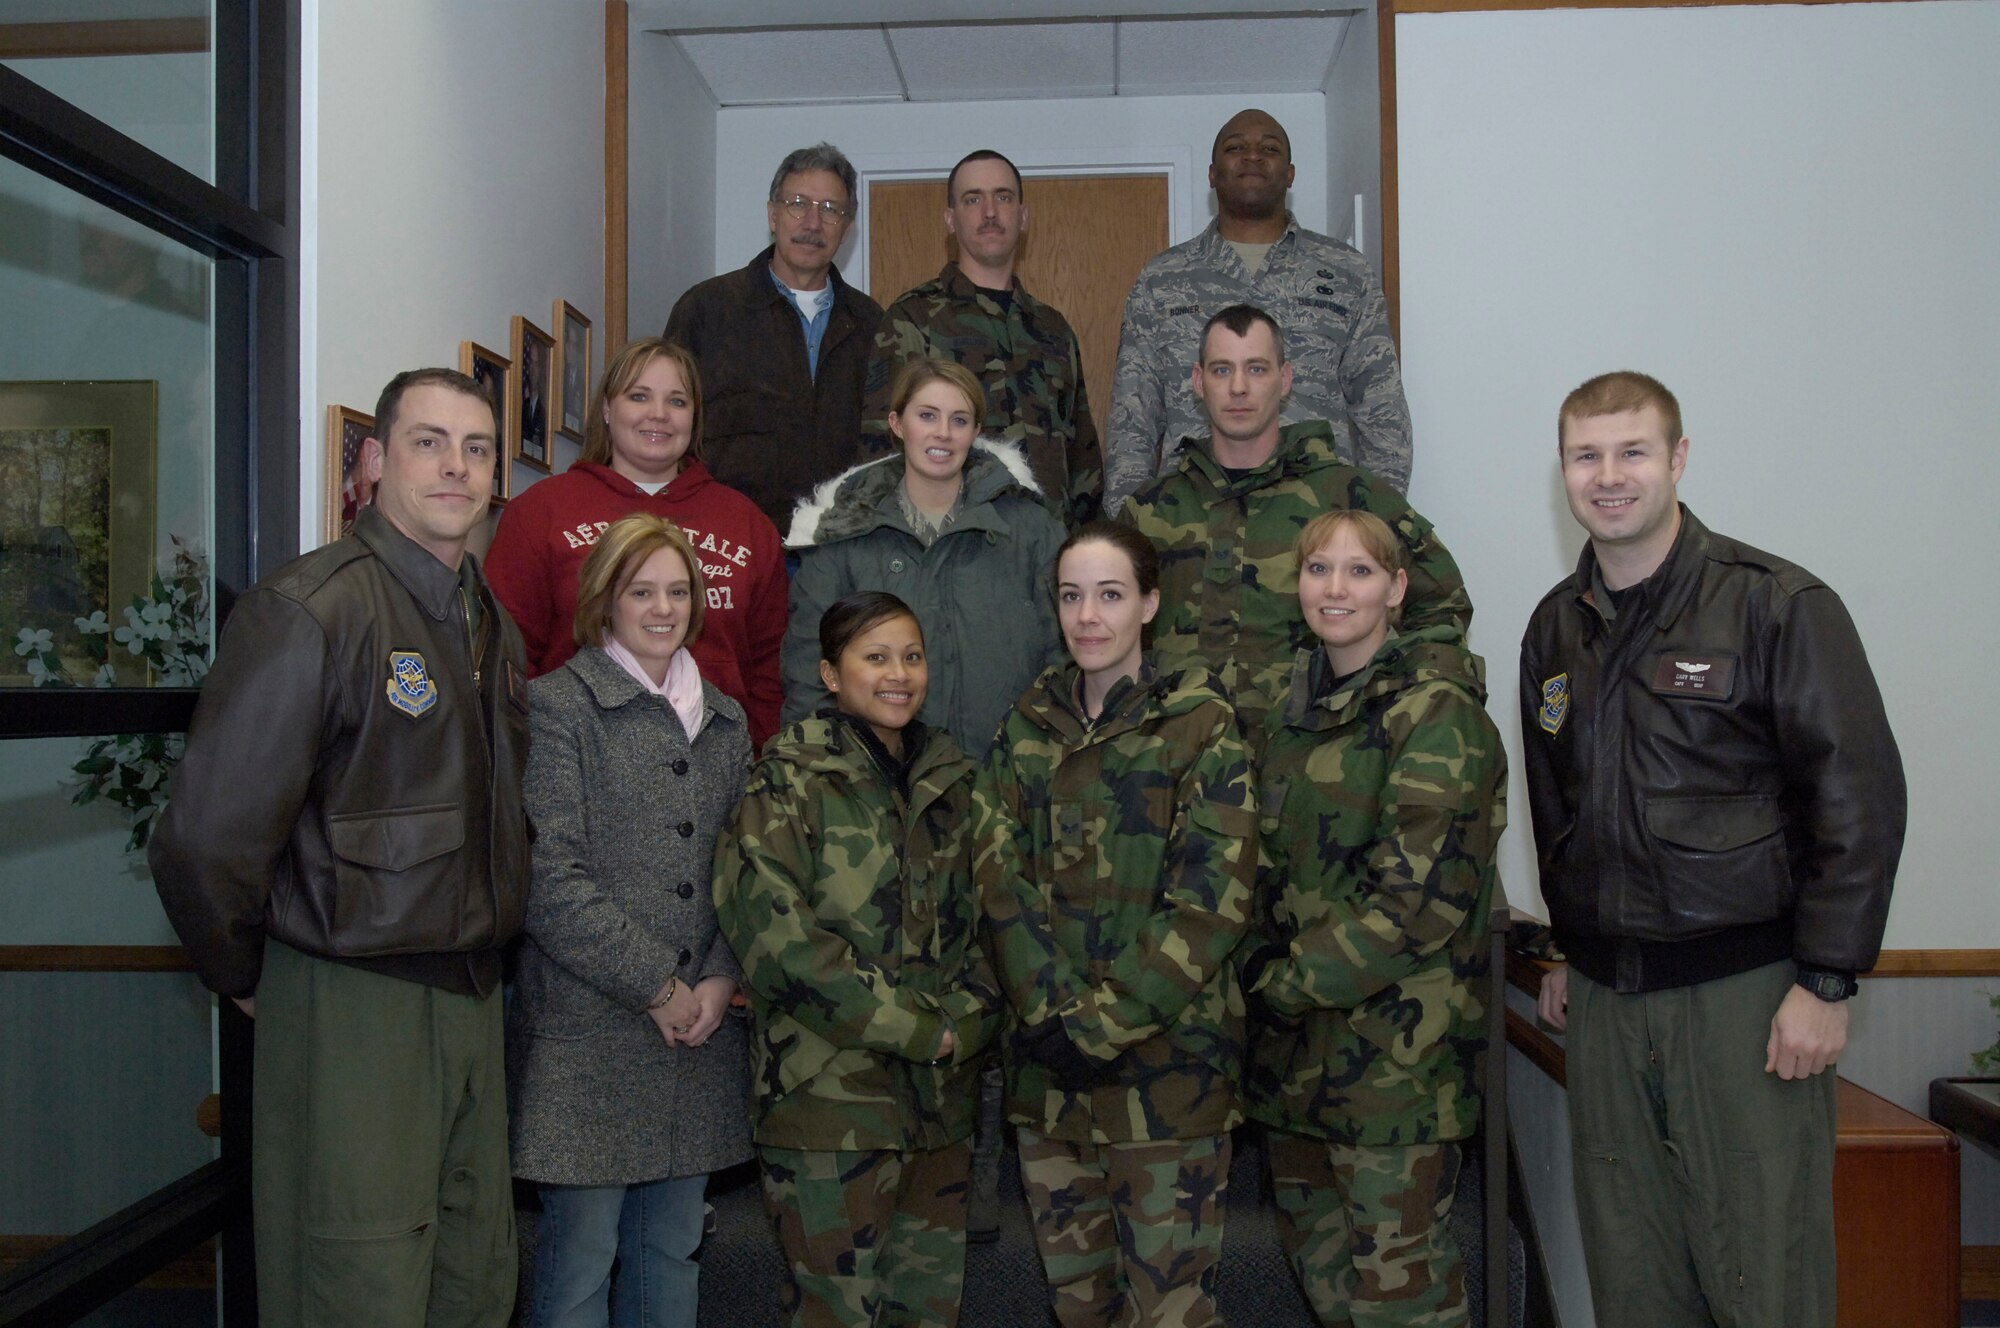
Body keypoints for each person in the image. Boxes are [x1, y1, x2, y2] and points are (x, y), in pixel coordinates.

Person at [1523, 372, 1905, 1328]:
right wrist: (1571, 947)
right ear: (1563, 470)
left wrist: (1826, 981)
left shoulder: (1775, 604)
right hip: (1610, 1004)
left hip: (1745, 1001)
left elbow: (1858, 798)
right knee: (1635, 1276)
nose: (1609, 476)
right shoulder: (1554, 627)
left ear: (1679, 459)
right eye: (1586, 455)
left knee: (1761, 1274)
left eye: (1632, 451)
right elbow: (1558, 807)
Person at [149, 368, 528, 1327]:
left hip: (475, 994)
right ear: (373, 460)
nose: (455, 466)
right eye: (428, 442)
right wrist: (246, 974)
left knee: (472, 1277)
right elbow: (203, 838)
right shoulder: (314, 609)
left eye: (477, 448)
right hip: (356, 1001)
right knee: (355, 1282)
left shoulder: (489, 622)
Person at [974, 522, 1256, 1328]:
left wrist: (1099, 1024)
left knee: (1171, 1313)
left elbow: (1211, 901)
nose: (1087, 616)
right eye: (1071, 596)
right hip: (1050, 1078)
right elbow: (997, 882)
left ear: (1150, 605)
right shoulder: (1024, 730)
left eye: (1109, 595)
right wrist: (1048, 1009)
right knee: (1080, 1308)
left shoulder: (1201, 727)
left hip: (1168, 1080)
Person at [1241, 509, 1505, 1328]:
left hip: (1396, 1068)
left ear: (1396, 589)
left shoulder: (1436, 712)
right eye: (1320, 569)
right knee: (1330, 1293)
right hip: (1296, 1071)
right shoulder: (1281, 716)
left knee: (1405, 1302)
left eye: (1359, 572)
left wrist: (1277, 984)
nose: (1336, 588)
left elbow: (1415, 900)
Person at [715, 591, 1001, 1328]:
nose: (898, 673)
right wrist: (912, 1029)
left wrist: (964, 1024)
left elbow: (996, 921)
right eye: (875, 657)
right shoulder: (788, 778)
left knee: (928, 1312)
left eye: (911, 655)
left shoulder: (955, 781)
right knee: (834, 1314)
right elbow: (777, 939)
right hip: (826, 1102)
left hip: (939, 1105)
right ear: (830, 674)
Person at [507, 515, 753, 1328]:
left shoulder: (725, 719)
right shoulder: (558, 707)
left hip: (699, 1035)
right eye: (640, 591)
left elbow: (742, 868)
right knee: (581, 1257)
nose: (661, 608)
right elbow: (548, 878)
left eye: (678, 591)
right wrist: (656, 984)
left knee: (671, 1250)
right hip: (594, 1028)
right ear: (604, 601)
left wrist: (717, 975)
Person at [1119, 303, 1468, 745]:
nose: (1239, 388)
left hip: (1309, 766)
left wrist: (1384, 711)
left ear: (1285, 380)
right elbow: (1104, 633)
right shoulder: (1150, 511)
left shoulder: (1350, 497)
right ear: (1197, 381)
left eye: (1257, 369)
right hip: (1175, 764)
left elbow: (1443, 607)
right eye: (1222, 370)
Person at [1105, 107, 1413, 511]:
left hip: (1317, 521)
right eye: (1236, 147)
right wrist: (1132, 539)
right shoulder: (1162, 279)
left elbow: (1381, 412)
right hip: (1191, 525)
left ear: (1290, 174)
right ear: (1213, 174)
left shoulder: (1345, 272)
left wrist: (1376, 524)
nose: (1252, 156)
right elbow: (1133, 419)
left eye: (1269, 148)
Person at [485, 337, 787, 746]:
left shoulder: (747, 523)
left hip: (718, 763)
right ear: (608, 409)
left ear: (695, 417)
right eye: (639, 396)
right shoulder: (541, 513)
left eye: (677, 401)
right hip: (582, 763)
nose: (659, 414)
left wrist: (757, 758)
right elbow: (510, 657)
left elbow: (772, 666)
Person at [783, 357, 1063, 761]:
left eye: (960, 420)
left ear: (977, 433)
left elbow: (1065, 654)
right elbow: (809, 672)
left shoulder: (1032, 530)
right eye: (927, 415)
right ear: (898, 424)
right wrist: (819, 781)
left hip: (1008, 781)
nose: (943, 434)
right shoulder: (842, 536)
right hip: (880, 791)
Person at [860, 149, 1102, 525]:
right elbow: (880, 458)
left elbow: (1083, 460)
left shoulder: (1053, 330)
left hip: (1050, 552)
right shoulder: (912, 320)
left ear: (1023, 217)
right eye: (973, 199)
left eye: (1003, 197)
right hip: (954, 549)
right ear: (950, 219)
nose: (990, 212)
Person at [665, 143, 884, 530]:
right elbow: (668, 427)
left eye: (831, 210)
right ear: (773, 214)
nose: (813, 223)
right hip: (730, 542)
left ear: (847, 229)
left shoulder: (872, 325)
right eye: (798, 203)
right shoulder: (707, 309)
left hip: (842, 547)